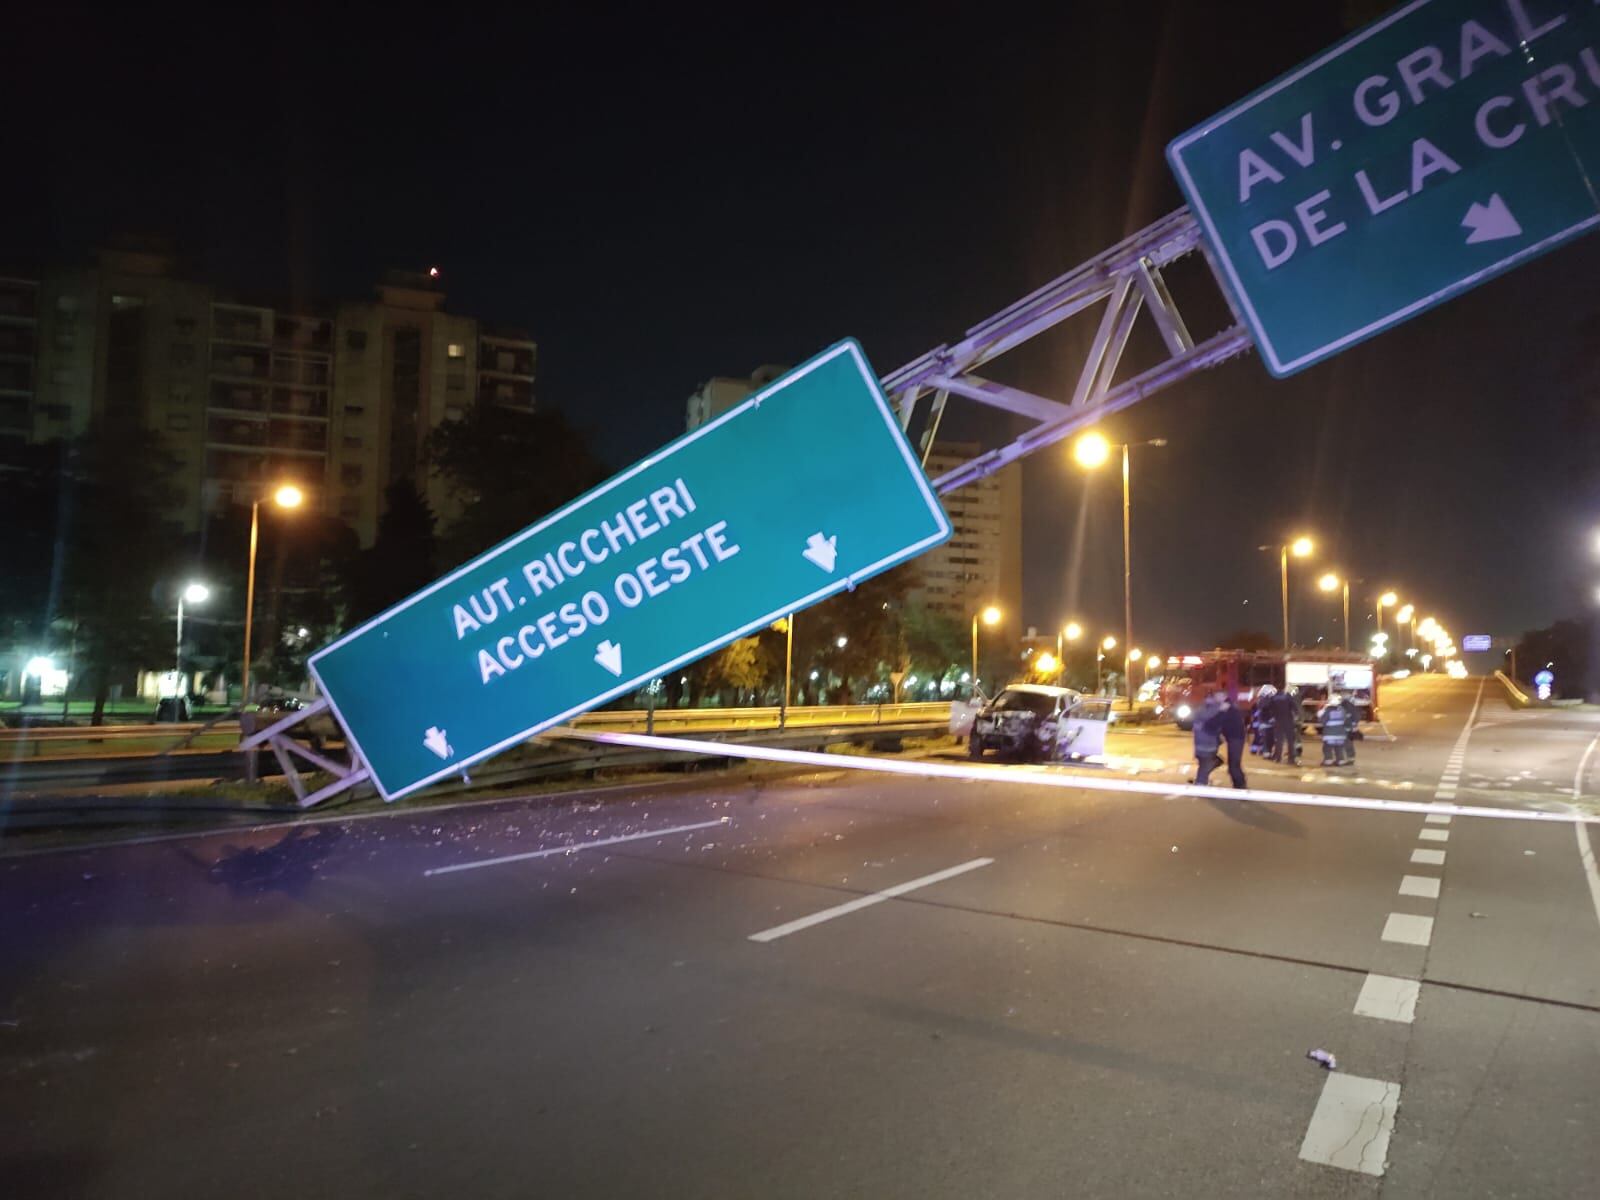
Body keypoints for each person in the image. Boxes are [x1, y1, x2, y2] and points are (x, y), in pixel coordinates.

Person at [1213, 689, 1248, 788]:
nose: (1216, 700)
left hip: (1235, 738)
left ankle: (1240, 786)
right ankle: (1239, 784)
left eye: (1217, 697)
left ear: (1223, 697)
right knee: (1233, 764)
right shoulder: (1229, 705)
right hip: (1234, 737)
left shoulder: (1226, 706)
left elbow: (1219, 721)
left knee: (1234, 764)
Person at [1193, 693, 1222, 785]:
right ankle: (1201, 782)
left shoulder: (1199, 711)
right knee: (1207, 764)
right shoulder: (1213, 712)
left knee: (1204, 764)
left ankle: (1201, 780)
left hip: (1200, 746)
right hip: (1208, 746)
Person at [1271, 687, 1301, 765]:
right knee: (1290, 741)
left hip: (1278, 721)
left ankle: (1278, 758)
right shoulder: (1287, 696)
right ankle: (1291, 759)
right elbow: (1294, 706)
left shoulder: (1274, 697)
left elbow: (1271, 709)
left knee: (1279, 740)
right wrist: (1296, 715)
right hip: (1288, 721)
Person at [1320, 691, 1350, 767]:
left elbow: (1323, 721)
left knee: (1327, 748)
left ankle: (1328, 761)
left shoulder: (1328, 710)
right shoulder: (1342, 710)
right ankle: (1340, 761)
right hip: (1340, 734)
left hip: (1329, 735)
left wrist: (1320, 714)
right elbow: (1346, 720)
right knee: (1339, 748)